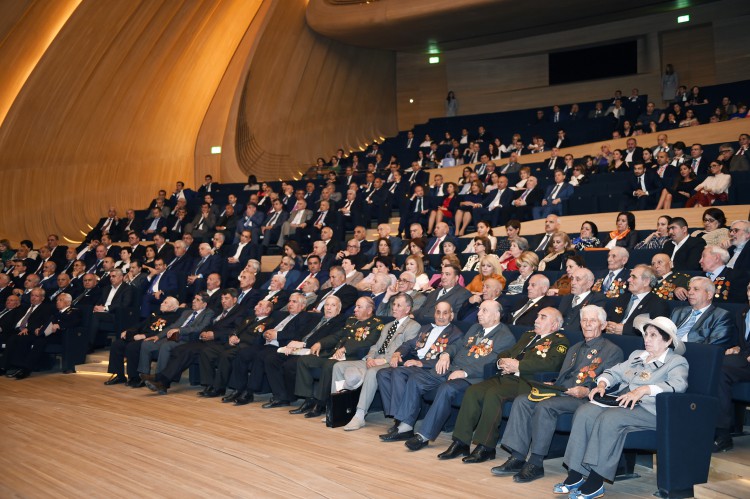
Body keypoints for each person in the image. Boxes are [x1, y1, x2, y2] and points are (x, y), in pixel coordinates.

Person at [556, 316, 688, 498]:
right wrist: (602, 383)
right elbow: (614, 372)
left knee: (609, 419)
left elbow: (678, 385)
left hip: (651, 411)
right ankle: (576, 474)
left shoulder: (676, 362)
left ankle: (596, 480)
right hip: (623, 403)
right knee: (585, 411)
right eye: (646, 334)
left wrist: (644, 390)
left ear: (668, 341)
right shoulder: (637, 356)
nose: (646, 339)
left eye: (653, 335)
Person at [492, 305, 624, 483]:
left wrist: (586, 390)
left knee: (546, 406)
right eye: (584, 320)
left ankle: (536, 463)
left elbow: (610, 384)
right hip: (563, 392)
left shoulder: (612, 350)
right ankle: (517, 456)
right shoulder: (575, 347)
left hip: (585, 398)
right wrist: (553, 384)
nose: (587, 325)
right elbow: (564, 376)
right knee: (523, 400)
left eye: (592, 321)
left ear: (603, 324)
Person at [438, 307, 569, 462]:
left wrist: (518, 366)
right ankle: (461, 442)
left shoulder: (560, 341)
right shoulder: (529, 336)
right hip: (506, 376)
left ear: (554, 325)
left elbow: (551, 365)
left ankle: (486, 447)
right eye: (537, 316)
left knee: (494, 394)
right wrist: (502, 362)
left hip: (527, 382)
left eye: (542, 317)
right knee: (474, 391)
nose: (536, 320)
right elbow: (507, 352)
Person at [379, 301, 515, 451]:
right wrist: (445, 354)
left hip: (472, 378)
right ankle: (405, 426)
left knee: (446, 389)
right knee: (416, 379)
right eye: (479, 310)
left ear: (496, 315)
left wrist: (465, 372)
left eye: (484, 310)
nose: (478, 313)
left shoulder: (504, 336)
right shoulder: (475, 328)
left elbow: (491, 363)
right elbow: (458, 345)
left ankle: (424, 435)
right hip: (451, 368)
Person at [332, 293, 422, 430]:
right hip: (374, 359)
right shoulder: (388, 326)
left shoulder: (413, 326)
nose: (394, 308)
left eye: (399, 305)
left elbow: (406, 350)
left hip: (390, 363)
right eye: (393, 305)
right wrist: (369, 357)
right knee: (338, 366)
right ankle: (337, 410)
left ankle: (360, 415)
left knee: (372, 372)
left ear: (408, 309)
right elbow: (376, 346)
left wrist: (383, 360)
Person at [291, 297, 384, 418]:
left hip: (353, 357)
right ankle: (309, 399)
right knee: (304, 360)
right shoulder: (351, 320)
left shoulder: (377, 324)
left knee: (329, 365)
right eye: (355, 306)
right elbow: (337, 336)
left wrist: (346, 348)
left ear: (369, 309)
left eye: (359, 307)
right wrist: (321, 343)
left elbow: (370, 343)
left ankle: (320, 403)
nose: (355, 309)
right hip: (335, 354)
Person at [713, 283, 750, 452]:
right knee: (715, 367)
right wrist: (737, 347)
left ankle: (722, 433)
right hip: (744, 359)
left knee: (719, 368)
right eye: (749, 289)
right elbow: (744, 342)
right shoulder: (743, 312)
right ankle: (719, 432)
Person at [605, 264, 669, 335]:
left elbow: (655, 330)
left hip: (634, 342)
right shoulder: (622, 298)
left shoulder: (657, 304)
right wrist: (608, 326)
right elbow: (609, 318)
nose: (628, 279)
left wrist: (625, 330)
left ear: (646, 281)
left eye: (633, 277)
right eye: (630, 276)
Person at [670, 277, 734, 345]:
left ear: (709, 295)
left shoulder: (721, 316)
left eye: (696, 289)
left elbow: (713, 345)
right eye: (689, 289)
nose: (690, 292)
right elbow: (663, 334)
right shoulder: (677, 311)